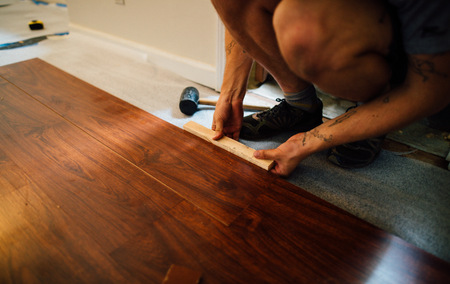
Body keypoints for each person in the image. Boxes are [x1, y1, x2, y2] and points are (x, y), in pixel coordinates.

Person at [210, 0, 450, 177]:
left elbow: (430, 92)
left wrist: (308, 141)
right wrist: (230, 95)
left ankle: (373, 105)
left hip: (402, 45)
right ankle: (300, 106)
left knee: (300, 27)